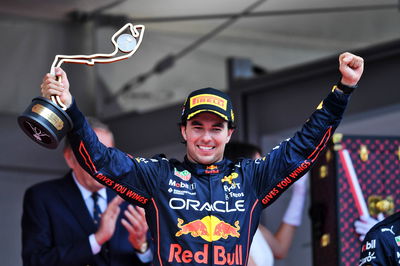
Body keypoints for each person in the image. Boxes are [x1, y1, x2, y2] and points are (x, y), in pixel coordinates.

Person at [40, 52, 364, 265]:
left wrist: (342, 91)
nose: (206, 137)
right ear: (183, 131)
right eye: (197, 127)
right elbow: (101, 160)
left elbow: (303, 147)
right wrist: (71, 109)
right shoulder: (159, 177)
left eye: (216, 128)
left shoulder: (253, 178)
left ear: (229, 134)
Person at [21, 118, 152, 266]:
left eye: (107, 155)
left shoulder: (130, 196)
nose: (101, 164)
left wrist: (141, 246)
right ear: (70, 158)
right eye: (92, 155)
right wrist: (96, 240)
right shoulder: (42, 197)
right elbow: (35, 261)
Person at [224, 142, 308, 265]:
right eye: (259, 167)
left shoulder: (248, 219)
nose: (265, 173)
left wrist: (299, 193)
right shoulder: (224, 224)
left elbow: (280, 249)